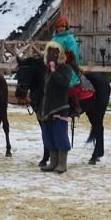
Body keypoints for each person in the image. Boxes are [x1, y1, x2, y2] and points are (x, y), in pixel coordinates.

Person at [39, 41, 73, 174]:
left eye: (54, 53)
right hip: (47, 107)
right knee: (48, 134)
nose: (51, 56)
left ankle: (62, 163)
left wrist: (54, 71)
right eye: (49, 53)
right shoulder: (46, 71)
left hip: (60, 106)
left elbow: (64, 83)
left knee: (60, 134)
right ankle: (53, 162)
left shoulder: (66, 69)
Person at [51, 17, 82, 99]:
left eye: (62, 26)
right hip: (54, 65)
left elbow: (72, 53)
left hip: (67, 65)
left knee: (68, 81)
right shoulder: (54, 39)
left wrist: (62, 59)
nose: (60, 28)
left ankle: (76, 103)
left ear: (66, 27)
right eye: (58, 26)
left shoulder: (69, 39)